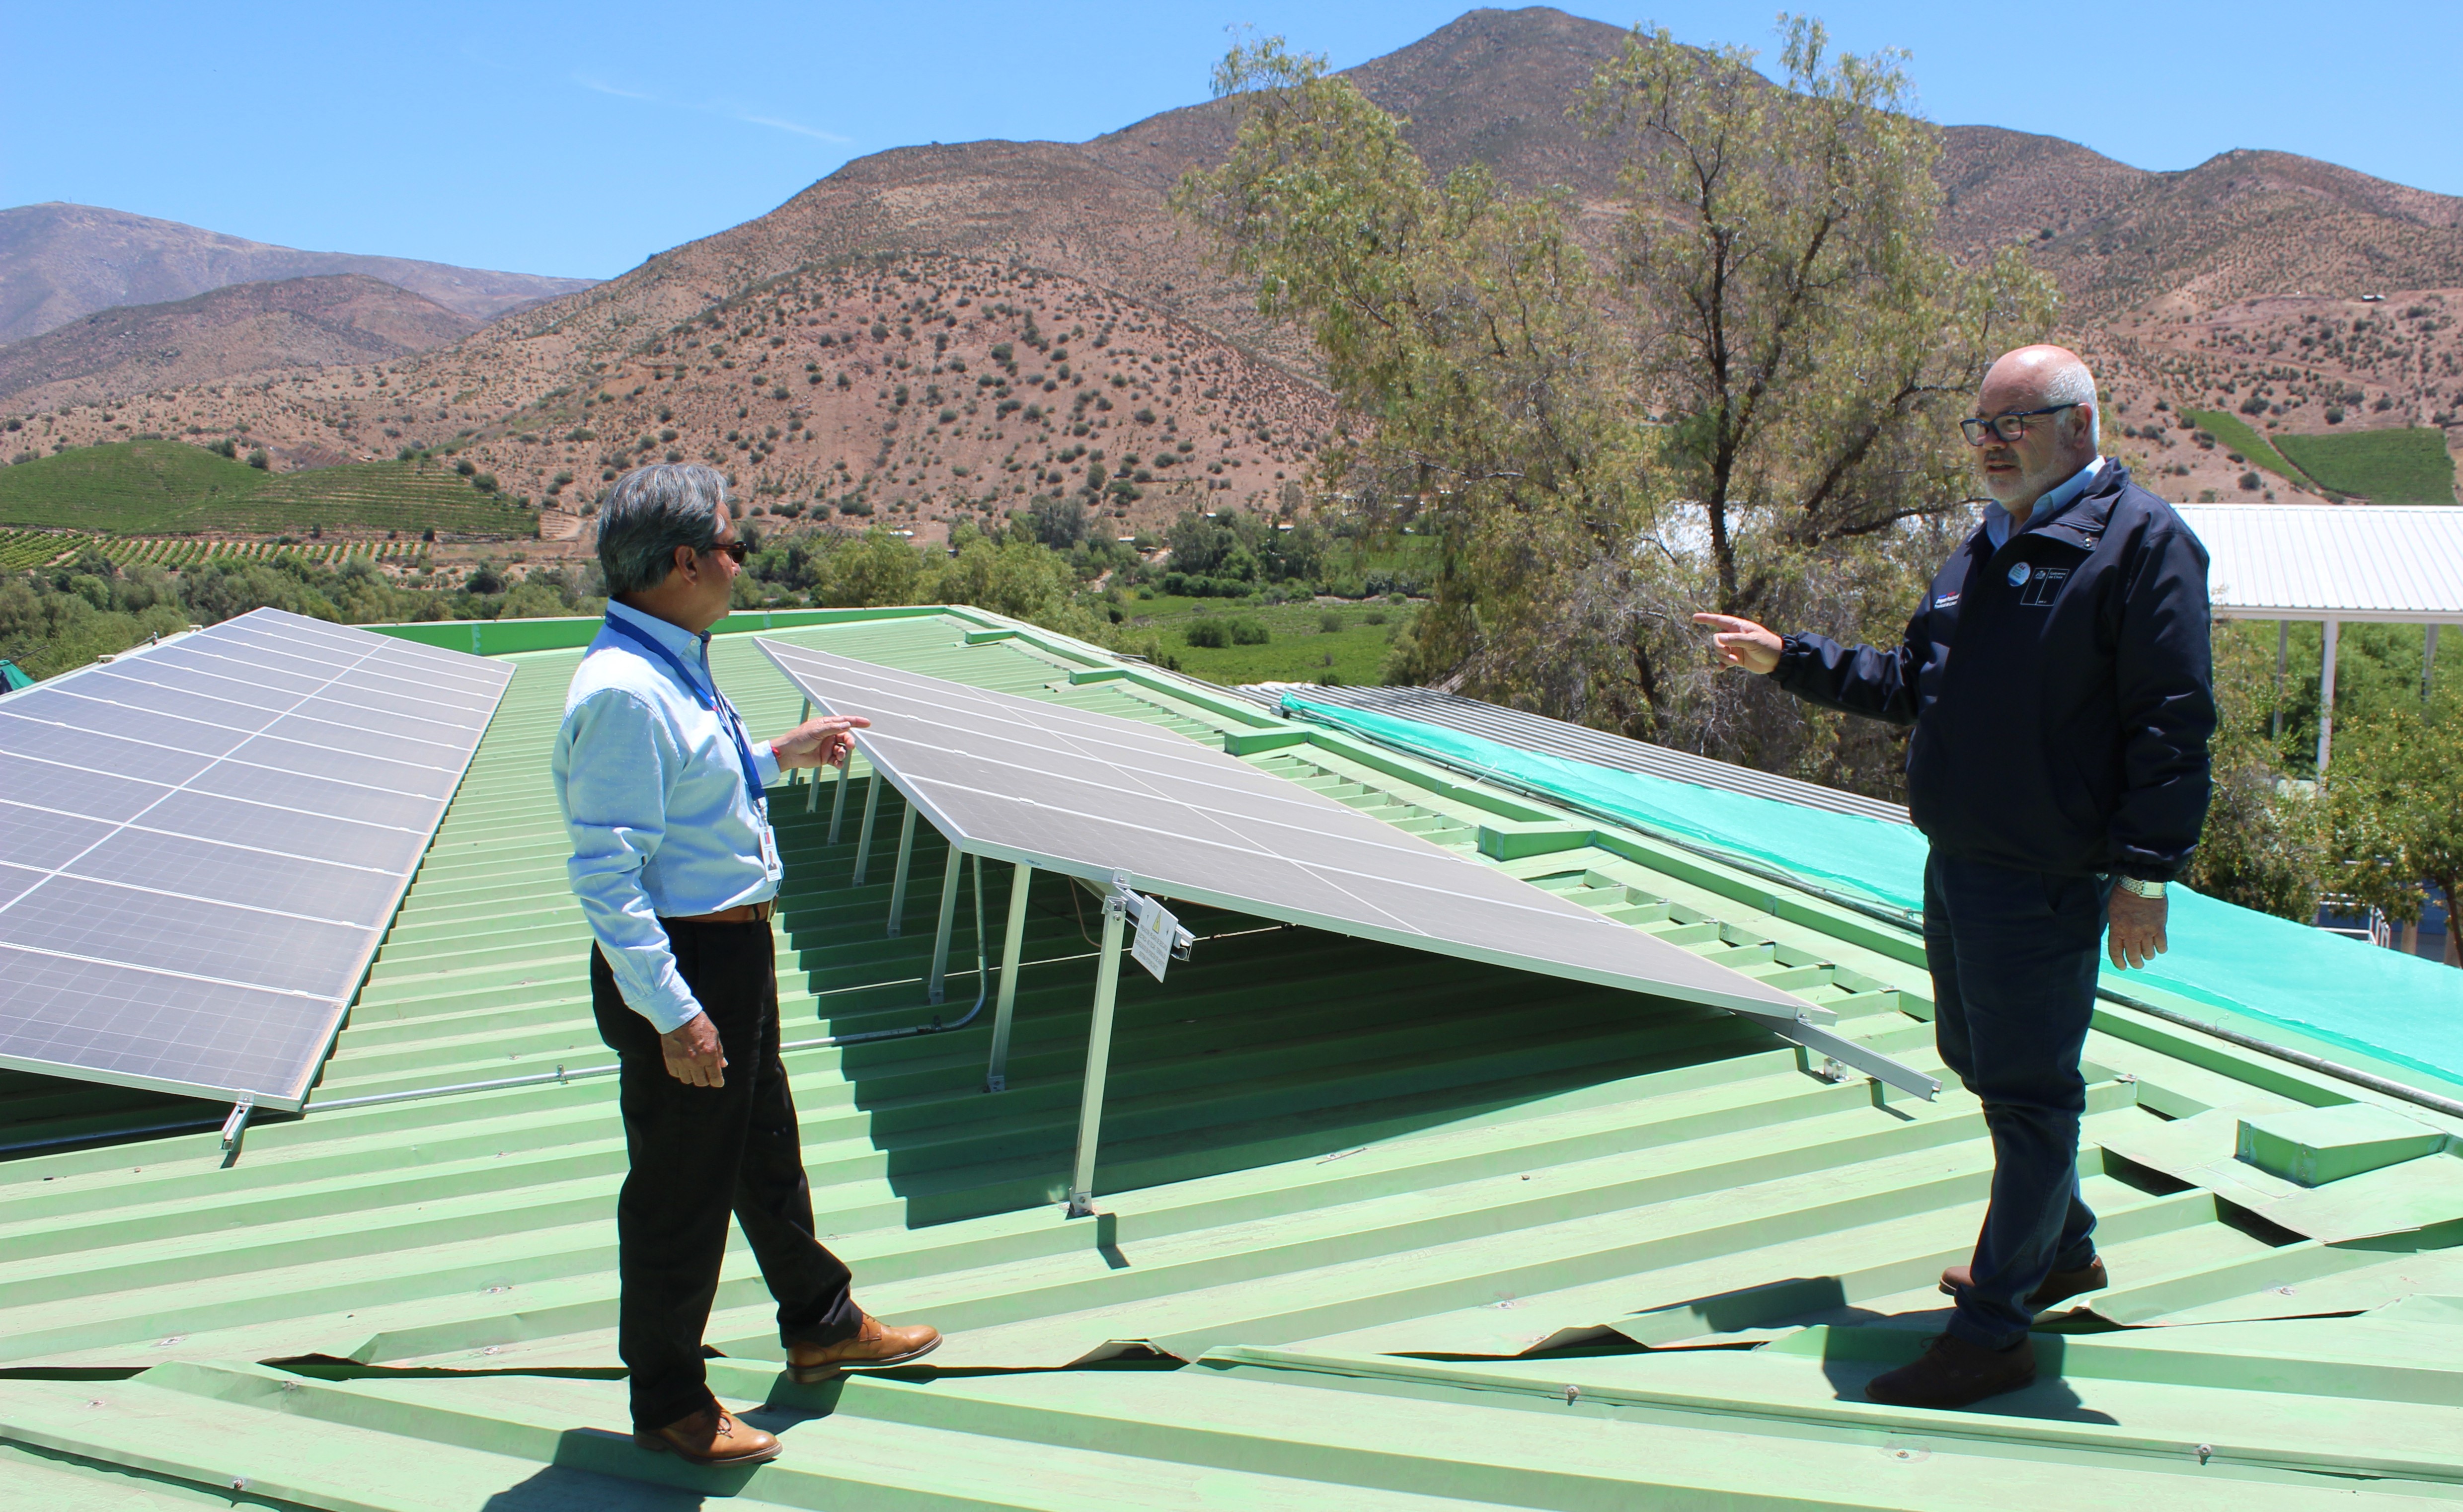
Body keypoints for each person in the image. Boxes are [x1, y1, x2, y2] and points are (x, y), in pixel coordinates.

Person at [1693, 345, 2213, 1409]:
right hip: (1962, 859)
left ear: (2078, 424)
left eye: (2010, 423)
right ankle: (2060, 1246)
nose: (1988, 443)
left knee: (2029, 1093)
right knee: (1975, 1056)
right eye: (1978, 425)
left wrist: (2146, 871)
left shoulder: (2141, 544)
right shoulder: (1983, 546)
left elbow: (2171, 720)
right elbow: (1914, 685)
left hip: (2046, 873)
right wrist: (1785, 657)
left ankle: (1991, 1333)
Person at [552, 463, 940, 1466]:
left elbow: (687, 791)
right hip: (682, 965)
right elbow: (610, 878)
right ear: (683, 561)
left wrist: (778, 755)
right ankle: (670, 1399)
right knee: (682, 1185)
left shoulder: (674, 658)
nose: (739, 564)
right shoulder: (625, 692)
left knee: (764, 1141)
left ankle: (821, 1320)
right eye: (733, 547)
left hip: (729, 948)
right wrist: (676, 1014)